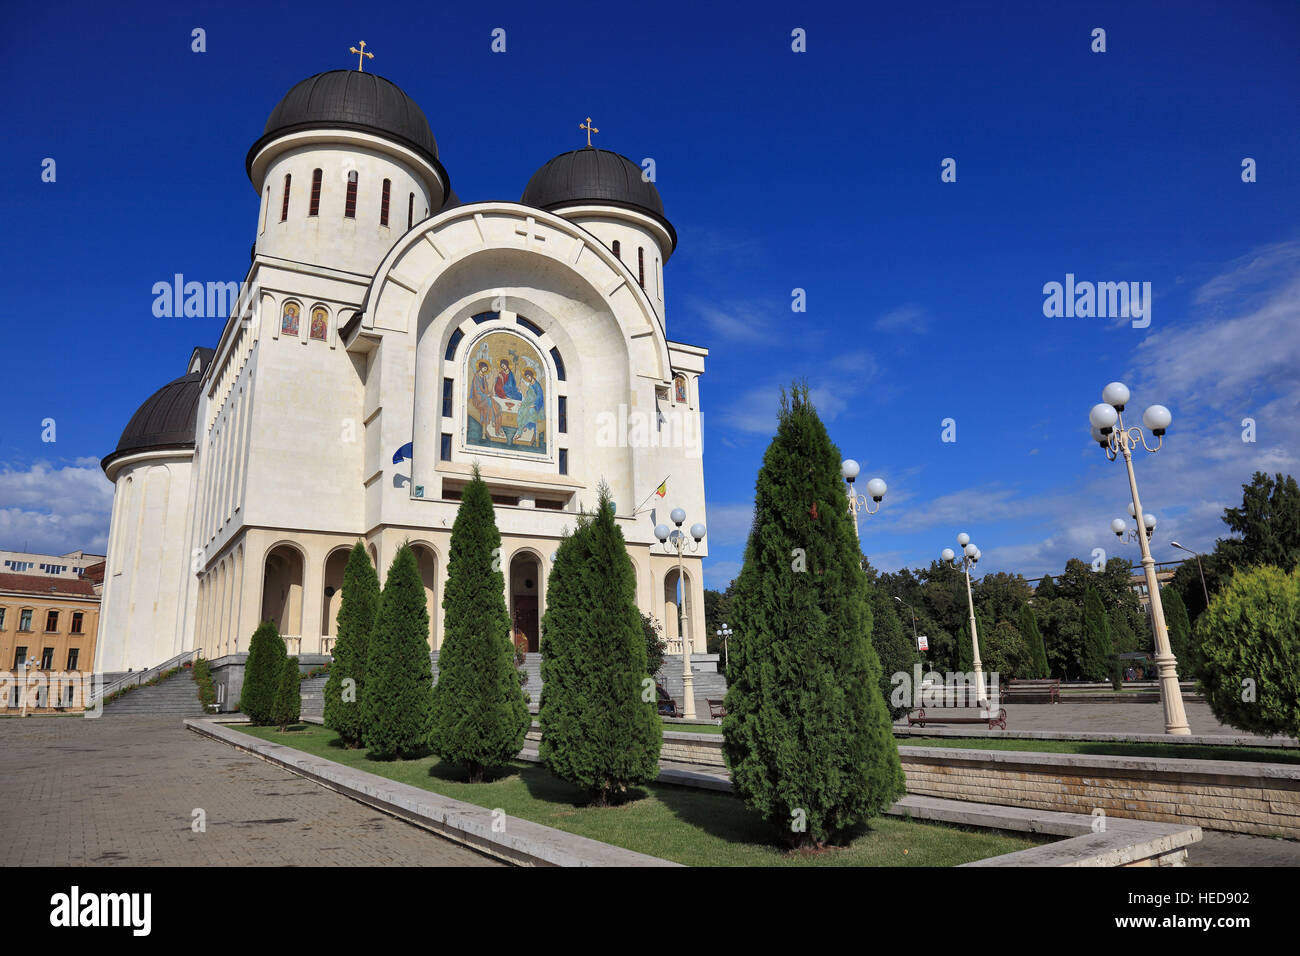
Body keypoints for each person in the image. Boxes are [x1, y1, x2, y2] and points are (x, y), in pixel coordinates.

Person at [470, 360, 502, 439]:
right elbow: (476, 391)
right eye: (484, 368)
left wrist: (489, 393)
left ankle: (495, 422)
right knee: (489, 402)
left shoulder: (483, 377)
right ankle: (491, 421)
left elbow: (486, 389)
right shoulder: (476, 377)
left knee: (497, 405)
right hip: (478, 399)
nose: (484, 370)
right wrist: (485, 395)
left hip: (484, 397)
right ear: (480, 367)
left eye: (485, 369)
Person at [512, 368, 544, 446]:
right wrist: (523, 404)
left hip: (537, 406)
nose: (528, 378)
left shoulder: (537, 385)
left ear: (532, 376)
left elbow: (540, 396)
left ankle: (520, 431)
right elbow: (528, 397)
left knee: (529, 411)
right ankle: (522, 427)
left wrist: (535, 404)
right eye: (527, 377)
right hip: (529, 403)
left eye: (529, 376)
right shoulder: (530, 385)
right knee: (521, 410)